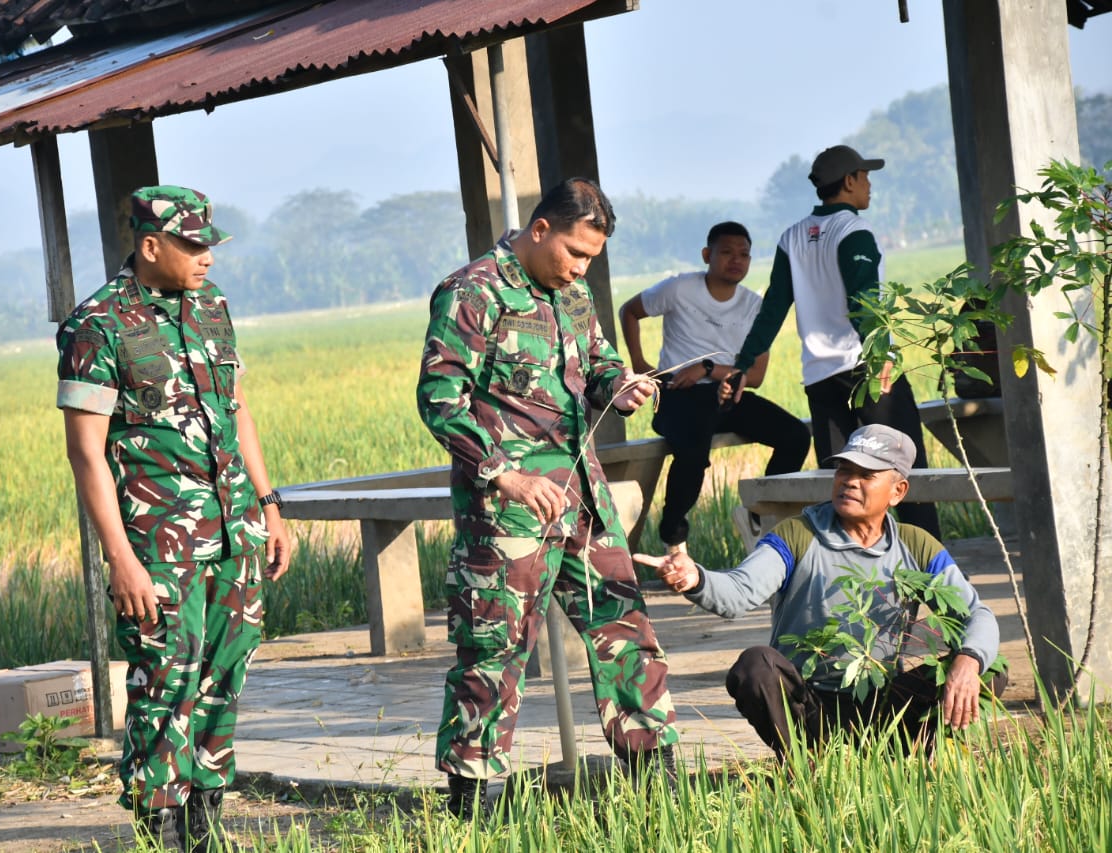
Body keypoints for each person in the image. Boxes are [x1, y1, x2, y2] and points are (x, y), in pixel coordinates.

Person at [416, 178, 679, 817]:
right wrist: (506, 474)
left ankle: (655, 782)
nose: (582, 268)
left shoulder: (574, 293)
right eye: (575, 253)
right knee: (496, 648)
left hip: (583, 497)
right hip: (508, 508)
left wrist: (622, 387)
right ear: (540, 230)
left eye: (591, 258)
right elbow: (439, 399)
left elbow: (597, 363)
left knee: (626, 628)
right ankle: (473, 803)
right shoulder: (473, 292)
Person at [56, 186, 290, 852]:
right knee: (166, 681)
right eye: (193, 244)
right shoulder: (98, 324)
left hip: (235, 531)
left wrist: (269, 506)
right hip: (159, 544)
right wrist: (120, 558)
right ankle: (161, 828)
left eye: (211, 244)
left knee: (225, 672)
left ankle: (208, 824)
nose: (207, 257)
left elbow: (237, 409)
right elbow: (86, 453)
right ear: (150, 245)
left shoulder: (212, 309)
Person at [635, 424, 1003, 759]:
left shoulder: (916, 545)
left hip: (883, 699)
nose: (849, 481)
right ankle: (806, 760)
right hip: (810, 705)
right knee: (756, 667)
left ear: (897, 491)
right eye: (844, 470)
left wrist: (967, 662)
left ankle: (903, 758)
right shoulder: (798, 534)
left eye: (866, 474)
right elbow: (740, 591)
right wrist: (695, 578)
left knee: (988, 670)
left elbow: (976, 614)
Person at [721, 145, 940, 537]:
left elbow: (772, 308)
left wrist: (743, 363)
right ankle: (929, 573)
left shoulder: (791, 238)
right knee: (908, 475)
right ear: (850, 180)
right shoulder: (853, 231)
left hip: (820, 378)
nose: (870, 185)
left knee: (843, 488)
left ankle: (846, 574)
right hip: (868, 372)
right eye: (865, 176)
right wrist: (881, 354)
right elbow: (864, 301)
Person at [619, 221, 810, 548]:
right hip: (679, 396)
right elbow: (630, 311)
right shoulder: (679, 289)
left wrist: (708, 368)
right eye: (726, 252)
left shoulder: (754, 306)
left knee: (796, 436)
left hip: (726, 396)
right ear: (707, 254)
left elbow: (757, 378)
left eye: (744, 254)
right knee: (693, 454)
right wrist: (640, 364)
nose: (736, 260)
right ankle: (673, 538)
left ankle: (757, 513)